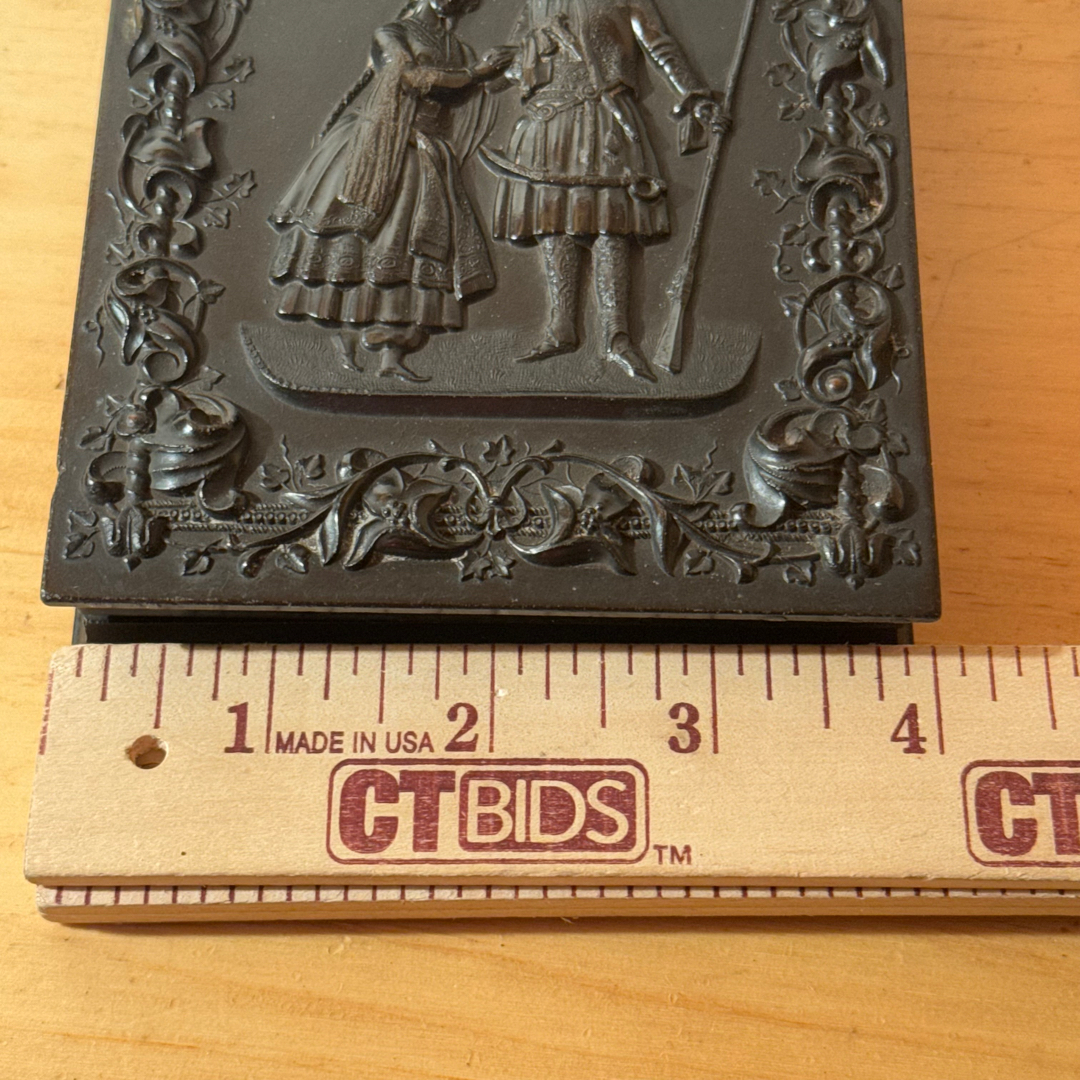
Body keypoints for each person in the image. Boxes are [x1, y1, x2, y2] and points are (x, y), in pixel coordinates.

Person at [270, 0, 514, 382]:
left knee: (409, 252)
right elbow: (409, 76)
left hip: (427, 152)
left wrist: (505, 66)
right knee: (358, 243)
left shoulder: (458, 48)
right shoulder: (392, 32)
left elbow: (482, 93)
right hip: (379, 149)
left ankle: (392, 353)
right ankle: (344, 338)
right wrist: (475, 72)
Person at [487, 0, 728, 382]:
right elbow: (511, 65)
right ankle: (561, 327)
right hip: (549, 118)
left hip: (601, 112)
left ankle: (617, 335)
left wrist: (695, 96)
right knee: (553, 221)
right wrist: (504, 63)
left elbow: (658, 44)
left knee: (610, 222)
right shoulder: (537, 4)